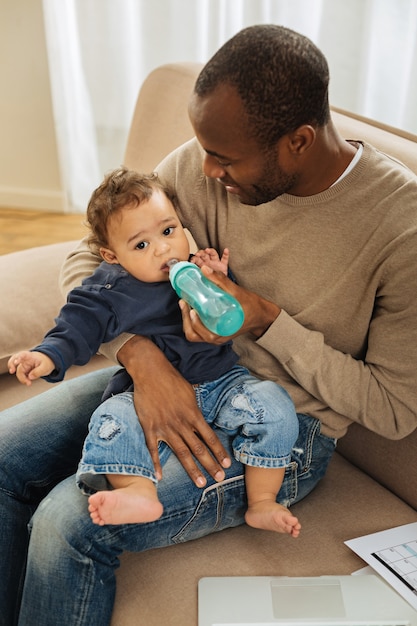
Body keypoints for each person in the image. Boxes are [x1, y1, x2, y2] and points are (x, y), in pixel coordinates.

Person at [1, 23, 416, 626]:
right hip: (172, 367)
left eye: (223, 159)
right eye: (204, 151)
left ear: (297, 142)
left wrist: (266, 319)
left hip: (283, 429)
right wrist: (141, 359)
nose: (206, 171)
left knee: (70, 523)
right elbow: (91, 256)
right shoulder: (210, 162)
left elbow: (396, 409)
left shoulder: (400, 228)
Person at [8, 167, 300, 535]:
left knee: (274, 402)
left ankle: (262, 501)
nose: (163, 248)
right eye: (141, 245)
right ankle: (137, 492)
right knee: (113, 420)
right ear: (112, 256)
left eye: (168, 231)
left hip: (224, 382)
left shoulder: (197, 270)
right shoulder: (110, 289)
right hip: (148, 396)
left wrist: (222, 282)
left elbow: (231, 317)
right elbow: (77, 325)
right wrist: (45, 356)